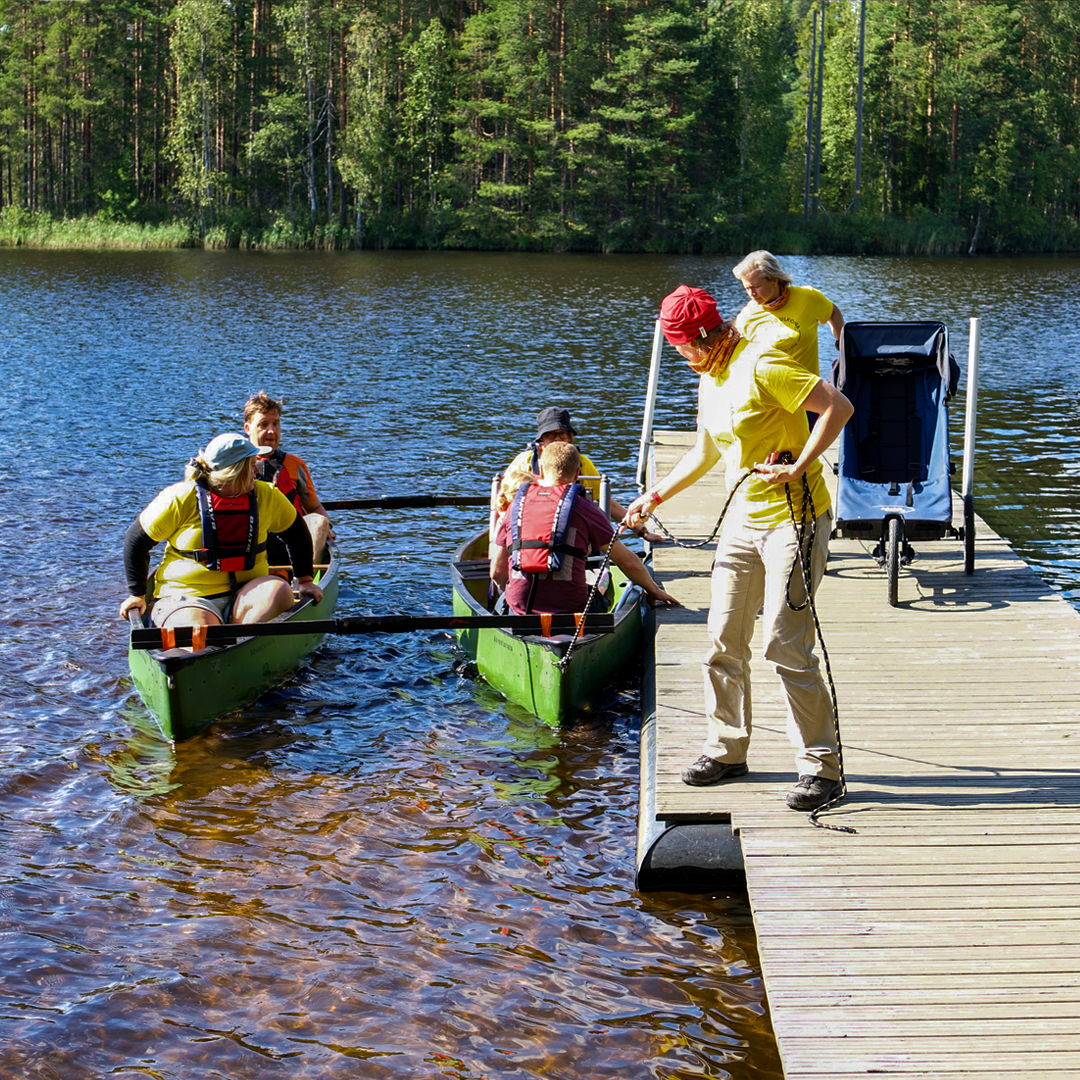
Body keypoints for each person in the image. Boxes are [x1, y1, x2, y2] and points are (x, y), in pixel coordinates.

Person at [623, 285, 854, 813]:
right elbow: (707, 448)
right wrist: (654, 494)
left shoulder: (761, 364)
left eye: (678, 344)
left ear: (699, 340)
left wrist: (799, 465)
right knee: (723, 639)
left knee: (784, 643)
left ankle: (822, 768)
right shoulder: (712, 376)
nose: (678, 354)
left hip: (795, 520)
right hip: (741, 525)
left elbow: (838, 407)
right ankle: (727, 750)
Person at [119, 433, 323, 635]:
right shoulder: (180, 497)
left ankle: (239, 642)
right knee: (200, 631)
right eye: (251, 465)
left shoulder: (267, 495)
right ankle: (215, 644)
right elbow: (136, 540)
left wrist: (304, 580)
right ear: (236, 472)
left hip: (246, 595)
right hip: (188, 597)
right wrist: (137, 594)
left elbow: (297, 533)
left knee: (280, 591)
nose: (257, 471)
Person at [490, 442, 678, 615]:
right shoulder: (585, 508)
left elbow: (497, 573)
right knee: (606, 594)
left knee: (504, 602)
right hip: (573, 609)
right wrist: (654, 591)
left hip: (522, 607)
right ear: (577, 473)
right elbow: (628, 562)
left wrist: (513, 596)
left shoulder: (515, 506)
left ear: (541, 471)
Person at [506, 406, 663, 543]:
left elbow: (608, 503)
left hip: (569, 529)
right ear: (541, 438)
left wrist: (643, 532)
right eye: (551, 434)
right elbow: (503, 501)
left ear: (570, 437)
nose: (557, 439)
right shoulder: (523, 462)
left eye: (562, 434)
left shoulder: (582, 463)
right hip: (526, 528)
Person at [243, 391, 332, 563]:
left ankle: (307, 579)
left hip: (290, 537)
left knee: (320, 522)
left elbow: (314, 508)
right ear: (248, 428)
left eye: (276, 424)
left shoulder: (294, 464)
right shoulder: (236, 464)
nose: (271, 431)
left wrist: (327, 527)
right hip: (253, 539)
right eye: (263, 425)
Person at [732, 250, 844, 375]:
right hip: (770, 391)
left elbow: (833, 312)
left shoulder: (808, 297)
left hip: (809, 390)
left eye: (757, 287)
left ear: (774, 280)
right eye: (747, 288)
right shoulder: (747, 315)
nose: (752, 294)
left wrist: (842, 344)